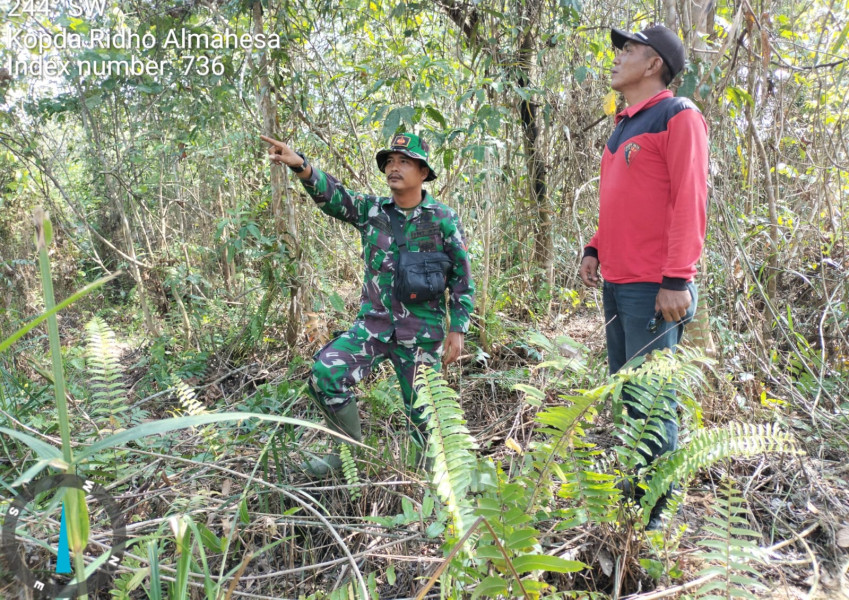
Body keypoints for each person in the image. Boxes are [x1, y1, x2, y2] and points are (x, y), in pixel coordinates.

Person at [261, 132, 475, 476]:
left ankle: (426, 481)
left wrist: (457, 328)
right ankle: (349, 456)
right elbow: (334, 197)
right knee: (326, 373)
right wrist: (300, 165)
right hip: (372, 327)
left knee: (426, 414)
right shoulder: (371, 211)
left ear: (423, 172)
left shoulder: (442, 219)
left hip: (421, 333)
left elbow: (461, 277)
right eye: (389, 161)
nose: (394, 167)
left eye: (404, 161)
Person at [578, 25, 708, 528]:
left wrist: (677, 278)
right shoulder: (622, 125)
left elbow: (689, 201)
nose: (616, 59)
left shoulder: (679, 116)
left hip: (655, 289)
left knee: (653, 403)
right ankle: (635, 498)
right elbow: (622, 203)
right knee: (628, 394)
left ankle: (653, 521)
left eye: (627, 50)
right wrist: (595, 247)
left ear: (654, 64)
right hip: (618, 281)